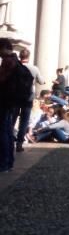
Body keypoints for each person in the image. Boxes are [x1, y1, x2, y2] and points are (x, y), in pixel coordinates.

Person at [13, 49, 45, 152]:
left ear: (20, 56)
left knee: (12, 119)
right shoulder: (34, 68)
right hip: (28, 97)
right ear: (28, 57)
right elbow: (41, 81)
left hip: (15, 96)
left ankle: (8, 140)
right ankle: (19, 144)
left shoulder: (15, 67)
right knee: (24, 121)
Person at [0, 38, 19, 171]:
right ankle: (9, 162)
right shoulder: (15, 60)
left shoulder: (7, 61)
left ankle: (3, 163)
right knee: (7, 131)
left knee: (2, 132)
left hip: (4, 100)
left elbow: (1, 80)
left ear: (3, 48)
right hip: (11, 101)